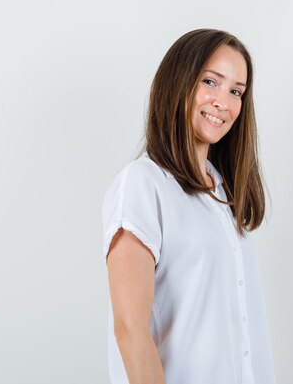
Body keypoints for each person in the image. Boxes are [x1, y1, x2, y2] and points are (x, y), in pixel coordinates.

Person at [101, 29, 277, 384]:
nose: (223, 102)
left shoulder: (223, 195)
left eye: (236, 91)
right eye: (210, 81)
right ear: (178, 82)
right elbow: (130, 330)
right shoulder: (143, 185)